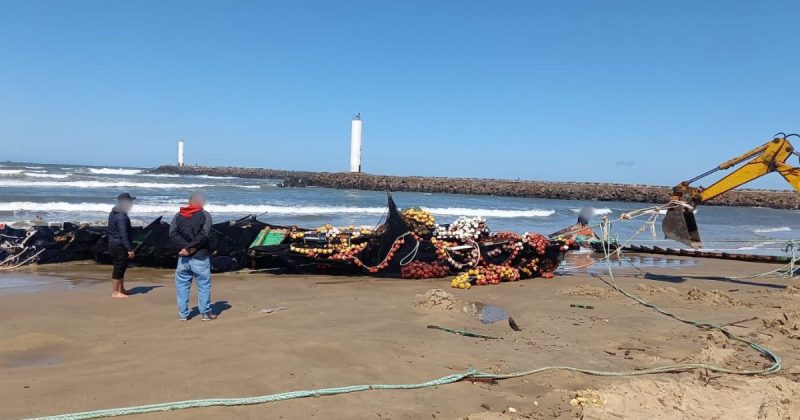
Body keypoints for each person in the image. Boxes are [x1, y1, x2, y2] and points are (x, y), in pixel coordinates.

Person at [169, 191, 216, 321]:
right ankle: (205, 313)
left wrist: (186, 247)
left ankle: (183, 314)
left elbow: (172, 233)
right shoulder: (205, 215)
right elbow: (204, 234)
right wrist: (189, 248)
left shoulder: (178, 215)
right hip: (199, 257)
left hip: (184, 257)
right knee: (203, 286)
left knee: (182, 286)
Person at [108, 193, 136, 298]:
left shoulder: (114, 212)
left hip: (113, 243)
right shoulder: (121, 217)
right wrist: (129, 249)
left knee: (121, 267)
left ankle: (121, 289)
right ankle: (115, 292)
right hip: (119, 245)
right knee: (119, 268)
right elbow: (123, 234)